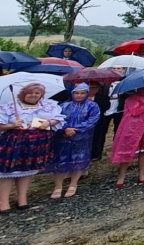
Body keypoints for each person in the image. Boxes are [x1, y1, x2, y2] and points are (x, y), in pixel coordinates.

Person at [0, 83, 64, 212]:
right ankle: (3, 202)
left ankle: (22, 199)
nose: (33, 95)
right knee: (8, 172)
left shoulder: (48, 105)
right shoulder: (10, 107)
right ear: (23, 94)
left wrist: (48, 122)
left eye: (37, 93)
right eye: (30, 93)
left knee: (27, 171)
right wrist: (12, 125)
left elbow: (58, 118)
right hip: (14, 143)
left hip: (37, 144)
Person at [47, 83, 99, 199]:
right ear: (72, 93)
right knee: (60, 160)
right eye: (76, 93)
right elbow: (57, 118)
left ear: (87, 94)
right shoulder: (64, 106)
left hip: (82, 138)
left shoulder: (92, 106)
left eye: (82, 93)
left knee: (78, 160)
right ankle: (58, 186)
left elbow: (92, 120)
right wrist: (65, 129)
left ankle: (73, 184)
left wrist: (77, 129)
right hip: (63, 137)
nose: (79, 95)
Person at [110, 87, 144, 188]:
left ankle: (141, 174)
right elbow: (135, 111)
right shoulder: (131, 99)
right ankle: (122, 176)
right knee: (127, 152)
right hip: (133, 130)